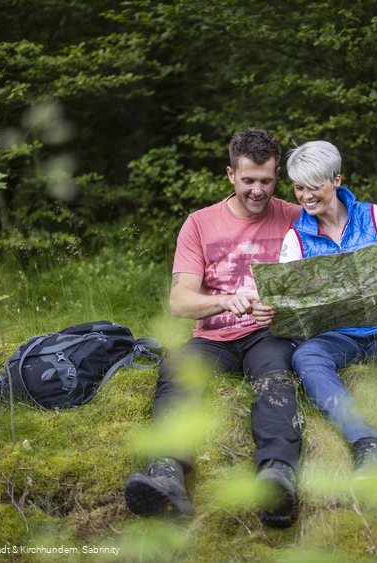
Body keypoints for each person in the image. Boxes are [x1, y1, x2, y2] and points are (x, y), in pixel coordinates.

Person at [123, 128, 304, 528]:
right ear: (230, 175)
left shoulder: (296, 216)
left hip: (269, 334)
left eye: (267, 181)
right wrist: (224, 300)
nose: (258, 190)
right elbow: (179, 301)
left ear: (277, 177)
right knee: (176, 371)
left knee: (275, 376)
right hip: (214, 337)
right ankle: (166, 477)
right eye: (248, 181)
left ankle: (276, 477)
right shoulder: (199, 224)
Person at [264, 139, 377, 504]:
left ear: (336, 179)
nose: (306, 196)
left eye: (314, 185)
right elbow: (291, 306)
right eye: (299, 187)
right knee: (306, 358)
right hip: (335, 335)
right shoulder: (295, 238)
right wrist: (274, 308)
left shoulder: (374, 216)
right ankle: (367, 447)